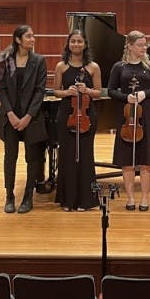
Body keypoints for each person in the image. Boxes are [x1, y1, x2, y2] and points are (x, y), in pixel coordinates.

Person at [0, 25, 48, 214]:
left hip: (31, 117)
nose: (33, 39)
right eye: (29, 36)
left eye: (33, 36)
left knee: (32, 158)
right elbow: (2, 89)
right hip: (10, 117)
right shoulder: (6, 60)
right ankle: (9, 196)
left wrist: (28, 116)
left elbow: (40, 91)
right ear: (18, 39)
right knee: (10, 157)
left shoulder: (39, 61)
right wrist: (11, 114)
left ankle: (28, 197)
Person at [107, 31, 150, 211]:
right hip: (127, 116)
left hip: (145, 115)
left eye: (145, 45)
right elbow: (110, 90)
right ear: (130, 46)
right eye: (140, 45)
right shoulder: (119, 66)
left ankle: (145, 198)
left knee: (146, 160)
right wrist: (126, 97)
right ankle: (131, 197)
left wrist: (144, 93)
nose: (144, 48)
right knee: (127, 160)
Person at [52, 29, 102, 211]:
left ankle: (86, 200)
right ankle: (67, 200)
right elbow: (55, 91)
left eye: (80, 41)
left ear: (85, 44)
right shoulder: (61, 67)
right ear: (68, 44)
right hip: (66, 114)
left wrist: (86, 90)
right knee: (67, 155)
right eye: (73, 41)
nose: (76, 44)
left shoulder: (93, 67)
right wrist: (67, 92)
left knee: (86, 156)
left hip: (88, 114)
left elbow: (99, 92)